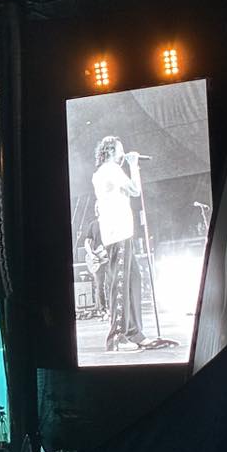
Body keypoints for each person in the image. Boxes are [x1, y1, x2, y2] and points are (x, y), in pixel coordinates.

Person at [92, 136, 151, 351]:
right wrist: (133, 165)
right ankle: (117, 337)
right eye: (120, 149)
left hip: (120, 232)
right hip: (118, 233)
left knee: (133, 278)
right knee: (121, 283)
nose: (123, 152)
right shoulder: (111, 170)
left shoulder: (103, 173)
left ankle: (134, 332)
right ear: (110, 151)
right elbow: (135, 190)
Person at [80, 200, 108, 317]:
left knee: (113, 283)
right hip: (97, 259)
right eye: (97, 207)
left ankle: (114, 309)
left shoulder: (110, 222)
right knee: (100, 285)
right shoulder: (93, 224)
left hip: (109, 257)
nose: (99, 208)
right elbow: (87, 242)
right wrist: (91, 254)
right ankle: (103, 310)